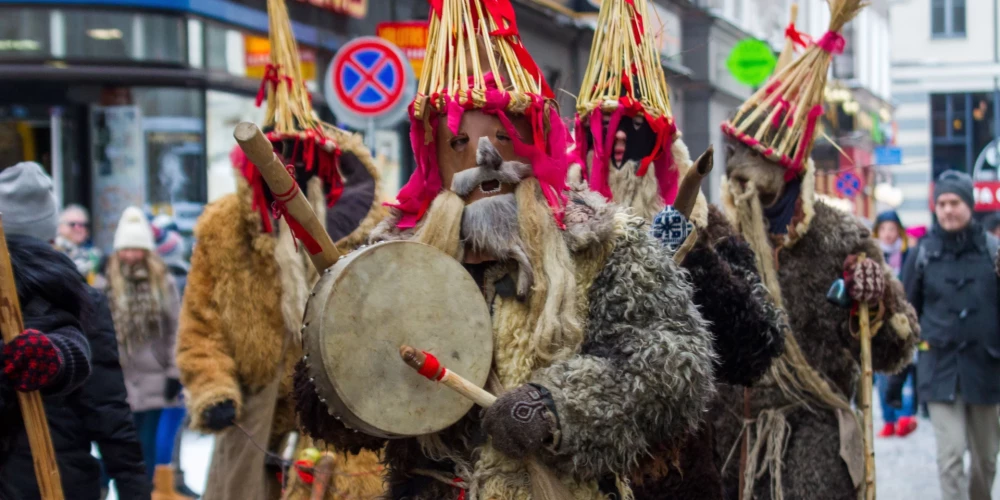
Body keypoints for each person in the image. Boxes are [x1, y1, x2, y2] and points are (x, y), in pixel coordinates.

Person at [294, 2, 715, 497]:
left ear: (535, 144)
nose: (485, 159)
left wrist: (556, 406)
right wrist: (349, 363)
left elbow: (672, 360)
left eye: (501, 137)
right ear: (434, 158)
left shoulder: (602, 243)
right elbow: (328, 400)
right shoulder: (392, 256)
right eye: (459, 142)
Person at [572, 0, 786, 497]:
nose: (618, 146)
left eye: (633, 129)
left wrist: (692, 258)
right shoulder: (554, 229)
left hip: (676, 473)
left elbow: (754, 349)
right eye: (603, 134)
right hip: (577, 472)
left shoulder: (708, 229)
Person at [175, 0, 386, 496]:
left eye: (301, 164)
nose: (289, 176)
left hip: (343, 420)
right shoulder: (225, 229)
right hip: (257, 418)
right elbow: (199, 329)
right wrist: (214, 391)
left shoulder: (370, 229)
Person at [711, 3, 919, 498]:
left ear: (785, 167)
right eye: (734, 155)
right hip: (728, 448)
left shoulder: (842, 236)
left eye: (750, 157)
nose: (736, 169)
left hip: (814, 445)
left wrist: (876, 303)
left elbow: (895, 348)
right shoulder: (717, 234)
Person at [0, 161, 128, 500]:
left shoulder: (72, 295)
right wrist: (133, 484)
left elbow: (73, 353)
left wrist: (54, 358)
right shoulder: (78, 290)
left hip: (52, 474)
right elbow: (108, 406)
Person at [904, 170, 1000, 500]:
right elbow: (906, 318)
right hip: (939, 368)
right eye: (941, 203)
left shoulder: (993, 251)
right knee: (951, 455)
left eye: (954, 202)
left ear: (969, 205)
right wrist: (894, 377)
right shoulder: (921, 254)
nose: (947, 210)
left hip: (987, 369)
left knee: (986, 460)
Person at [104, 206, 184, 488]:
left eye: (137, 249)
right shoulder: (106, 284)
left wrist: (175, 373)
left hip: (156, 378)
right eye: (125, 249)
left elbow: (177, 328)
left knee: (146, 447)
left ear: (147, 251)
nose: (130, 256)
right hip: (118, 380)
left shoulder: (164, 282)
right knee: (118, 445)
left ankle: (143, 493)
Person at [872, 209, 918, 438]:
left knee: (906, 370)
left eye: (892, 229)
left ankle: (904, 417)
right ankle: (888, 418)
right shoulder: (871, 257)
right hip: (880, 324)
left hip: (907, 320)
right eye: (884, 229)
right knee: (882, 374)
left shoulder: (910, 254)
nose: (888, 234)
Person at [55, 204, 104, 287]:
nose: (78, 228)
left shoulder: (95, 256)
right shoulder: (54, 251)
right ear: (60, 227)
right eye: (73, 224)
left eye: (83, 225)